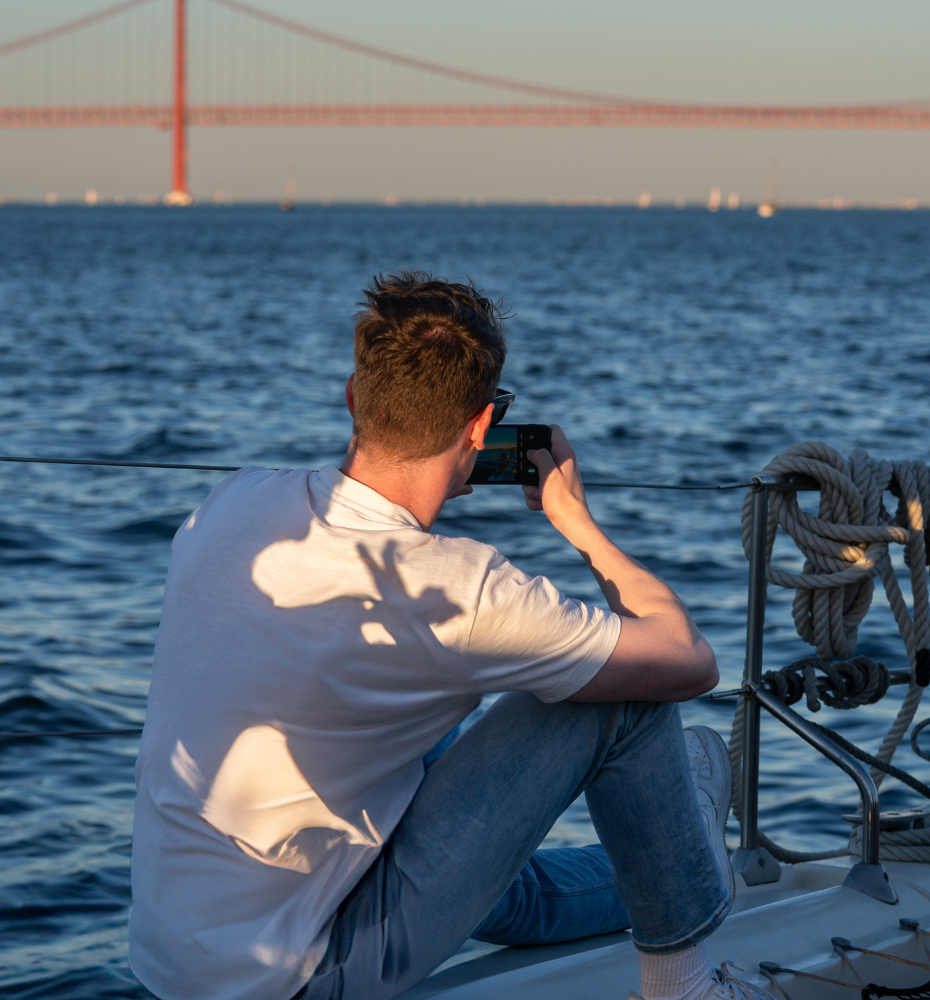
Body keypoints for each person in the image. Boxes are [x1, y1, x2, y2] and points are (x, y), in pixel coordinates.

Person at [129, 272, 774, 1000]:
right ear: (478, 428)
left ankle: (690, 861)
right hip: (302, 980)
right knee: (624, 691)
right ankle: (685, 984)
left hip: (166, 962)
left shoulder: (232, 501)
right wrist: (577, 524)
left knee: (430, 757)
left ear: (353, 396)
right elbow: (688, 662)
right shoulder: (457, 587)